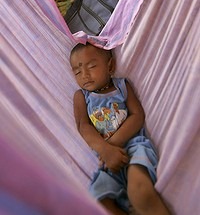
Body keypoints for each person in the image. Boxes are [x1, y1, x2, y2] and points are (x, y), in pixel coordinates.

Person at [69, 42, 171, 215]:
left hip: (134, 149)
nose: (85, 75)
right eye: (78, 72)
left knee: (139, 191)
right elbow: (83, 126)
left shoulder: (121, 86)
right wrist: (104, 149)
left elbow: (137, 116)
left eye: (92, 66)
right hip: (108, 163)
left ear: (110, 66)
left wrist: (111, 146)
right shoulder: (81, 96)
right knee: (100, 203)